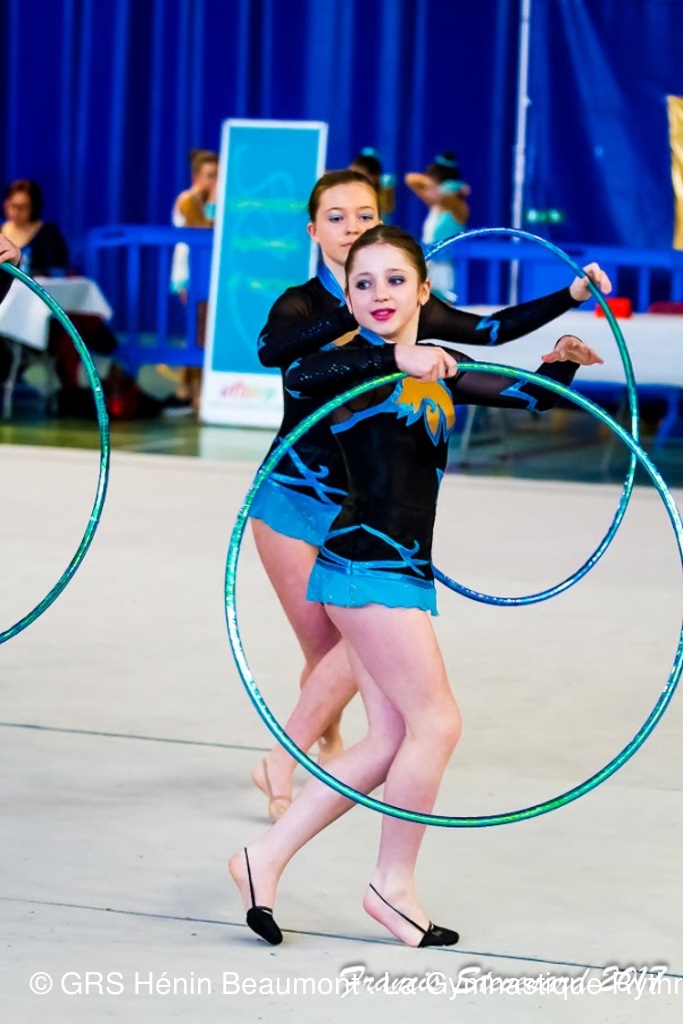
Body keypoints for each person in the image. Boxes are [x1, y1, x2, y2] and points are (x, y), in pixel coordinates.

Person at [229, 225, 604, 948]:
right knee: (437, 724)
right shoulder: (343, 370)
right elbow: (299, 376)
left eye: (396, 281)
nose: (380, 294)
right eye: (363, 284)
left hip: (393, 568)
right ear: (346, 297)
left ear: (423, 291)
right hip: (365, 568)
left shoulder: (435, 360)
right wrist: (393, 356)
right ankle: (391, 886)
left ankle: (261, 859)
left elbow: (529, 397)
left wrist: (560, 362)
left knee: (389, 738)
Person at [165, 149, 219, 414]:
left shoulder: (216, 202)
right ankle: (194, 394)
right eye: (210, 175)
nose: (215, 181)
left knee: (203, 333)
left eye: (218, 175)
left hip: (211, 275)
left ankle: (187, 390)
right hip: (191, 275)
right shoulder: (188, 200)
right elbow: (200, 227)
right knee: (198, 334)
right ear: (196, 176)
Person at [405, 152, 470, 303]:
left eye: (430, 187)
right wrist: (434, 185)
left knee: (444, 308)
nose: (426, 192)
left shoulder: (458, 208)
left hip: (445, 270)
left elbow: (454, 196)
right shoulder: (436, 206)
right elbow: (411, 179)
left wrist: (445, 188)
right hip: (428, 266)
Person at [1, 180, 69, 277]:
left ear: (33, 207)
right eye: (13, 206)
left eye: (22, 207)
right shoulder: (1, 230)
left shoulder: (49, 234)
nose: (16, 212)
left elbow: (56, 272)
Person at [349, 148, 395, 220]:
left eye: (358, 177)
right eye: (350, 176)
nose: (353, 181)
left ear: (374, 177)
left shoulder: (385, 193)